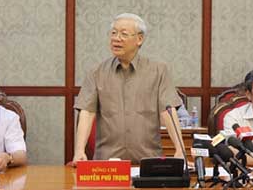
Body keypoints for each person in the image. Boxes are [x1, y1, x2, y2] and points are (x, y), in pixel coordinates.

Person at [73, 13, 185, 165]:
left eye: (123, 34)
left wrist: (180, 149)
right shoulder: (96, 73)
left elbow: (168, 111)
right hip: (108, 165)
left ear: (139, 39)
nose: (116, 38)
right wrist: (79, 150)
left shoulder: (158, 71)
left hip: (147, 162)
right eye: (113, 33)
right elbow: (87, 112)